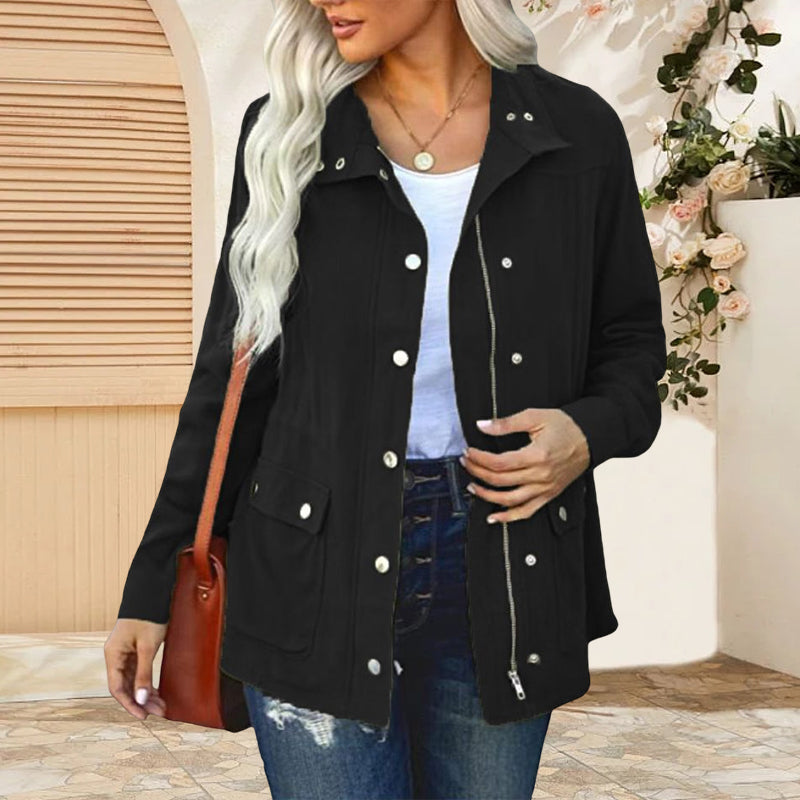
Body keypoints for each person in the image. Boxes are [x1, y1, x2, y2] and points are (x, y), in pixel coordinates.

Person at [105, 0, 667, 797]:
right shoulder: (289, 132)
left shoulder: (576, 133)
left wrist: (586, 432)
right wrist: (153, 583)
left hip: (503, 565)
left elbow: (633, 345)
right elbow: (230, 382)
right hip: (311, 568)